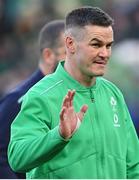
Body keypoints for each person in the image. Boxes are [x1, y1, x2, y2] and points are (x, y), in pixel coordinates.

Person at [8, 7, 139, 179]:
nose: (105, 53)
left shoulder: (113, 93)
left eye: (109, 46)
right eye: (96, 44)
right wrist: (59, 136)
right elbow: (17, 158)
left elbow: (133, 165)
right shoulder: (41, 94)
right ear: (70, 44)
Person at [0, 19, 65, 179]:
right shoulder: (17, 101)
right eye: (68, 52)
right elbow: (1, 159)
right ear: (49, 55)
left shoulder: (76, 95)